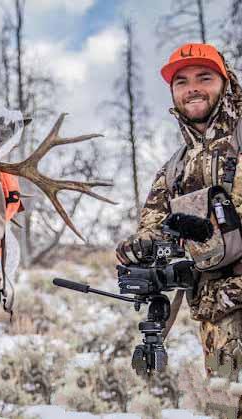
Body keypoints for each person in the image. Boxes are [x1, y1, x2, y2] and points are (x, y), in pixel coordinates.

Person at [117, 43, 242, 417]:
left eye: (204, 77)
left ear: (226, 82)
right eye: (181, 81)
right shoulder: (174, 168)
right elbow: (152, 229)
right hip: (217, 321)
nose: (193, 88)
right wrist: (137, 249)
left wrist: (216, 228)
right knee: (227, 408)